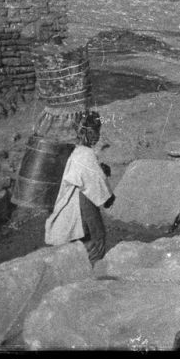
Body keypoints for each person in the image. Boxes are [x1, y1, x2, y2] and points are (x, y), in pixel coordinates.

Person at [44, 110, 114, 263]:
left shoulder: (74, 151)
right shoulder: (85, 154)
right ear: (89, 132)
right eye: (96, 131)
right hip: (76, 210)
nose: (98, 136)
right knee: (96, 243)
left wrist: (99, 170)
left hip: (63, 214)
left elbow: (83, 175)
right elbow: (101, 193)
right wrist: (110, 198)